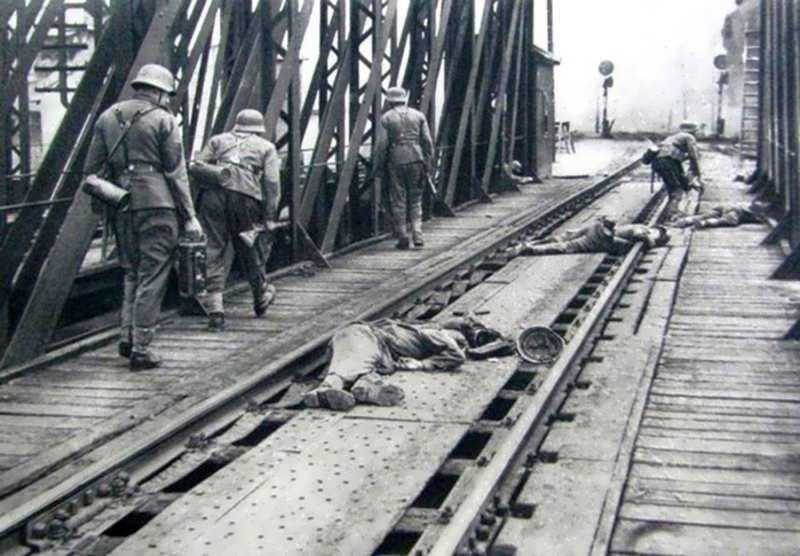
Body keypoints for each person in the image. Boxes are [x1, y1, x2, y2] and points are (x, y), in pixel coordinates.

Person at [84, 63, 202, 370]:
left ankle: (127, 336)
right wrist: (190, 216)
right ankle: (142, 346)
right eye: (167, 95)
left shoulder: (107, 117)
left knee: (132, 273)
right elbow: (176, 172)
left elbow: (92, 170)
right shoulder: (163, 119)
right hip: (158, 205)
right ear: (160, 92)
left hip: (121, 204)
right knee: (153, 274)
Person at [193, 109, 282, 330]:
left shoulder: (217, 140)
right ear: (258, 128)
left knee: (213, 248)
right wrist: (270, 215)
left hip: (213, 197)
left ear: (237, 125)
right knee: (251, 248)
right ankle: (260, 296)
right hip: (246, 200)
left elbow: (197, 165)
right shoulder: (266, 147)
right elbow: (272, 183)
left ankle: (216, 310)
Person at [303, 317, 505, 411]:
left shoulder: (428, 336)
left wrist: (422, 363)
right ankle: (327, 390)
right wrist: (423, 365)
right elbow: (457, 356)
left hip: (378, 351)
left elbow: (456, 355)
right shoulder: (436, 332)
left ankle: (360, 389)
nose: (461, 344)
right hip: (365, 336)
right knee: (354, 363)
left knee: (362, 364)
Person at [372, 87, 434, 250]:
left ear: (389, 101)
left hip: (396, 160)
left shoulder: (387, 118)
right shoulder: (418, 115)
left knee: (398, 200)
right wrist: (428, 161)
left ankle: (402, 236)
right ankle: (418, 234)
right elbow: (427, 141)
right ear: (403, 98)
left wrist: (378, 166)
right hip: (417, 158)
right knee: (416, 199)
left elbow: (381, 146)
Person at [507, 216, 669, 257]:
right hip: (601, 238)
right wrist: (651, 241)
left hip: (598, 228)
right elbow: (638, 234)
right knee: (566, 246)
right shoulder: (645, 231)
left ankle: (532, 243)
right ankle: (529, 249)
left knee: (566, 236)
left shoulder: (643, 228)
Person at [651, 121, 704, 218]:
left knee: (674, 188)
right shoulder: (689, 137)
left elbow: (679, 158)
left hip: (659, 162)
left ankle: (671, 212)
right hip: (668, 162)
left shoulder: (673, 137)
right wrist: (698, 174)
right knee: (677, 190)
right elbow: (694, 156)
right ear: (693, 131)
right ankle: (672, 216)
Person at [671, 200, 768, 229]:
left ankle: (684, 220)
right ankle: (704, 223)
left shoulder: (744, 205)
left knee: (708, 214)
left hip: (725, 206)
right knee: (723, 220)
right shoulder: (751, 215)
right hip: (734, 211)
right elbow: (757, 219)